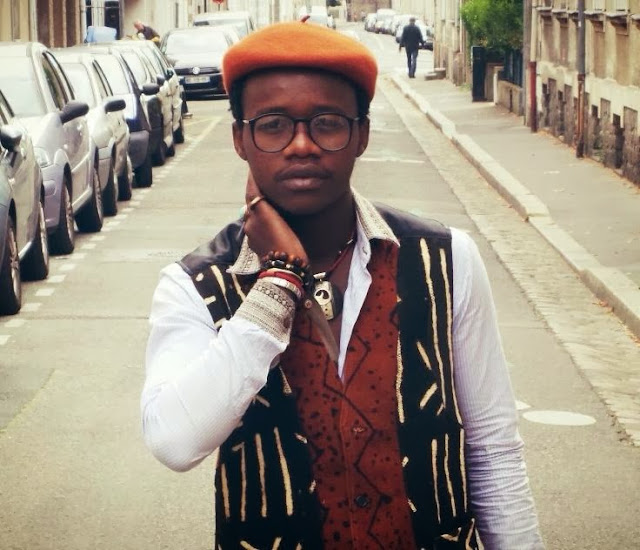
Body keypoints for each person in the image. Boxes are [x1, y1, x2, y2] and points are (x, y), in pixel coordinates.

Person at [141, 21, 545, 549]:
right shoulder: (195, 284)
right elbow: (175, 442)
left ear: (362, 134)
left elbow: (493, 449)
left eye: (327, 123)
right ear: (240, 138)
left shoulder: (446, 260)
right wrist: (278, 282)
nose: (302, 145)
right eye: (272, 125)